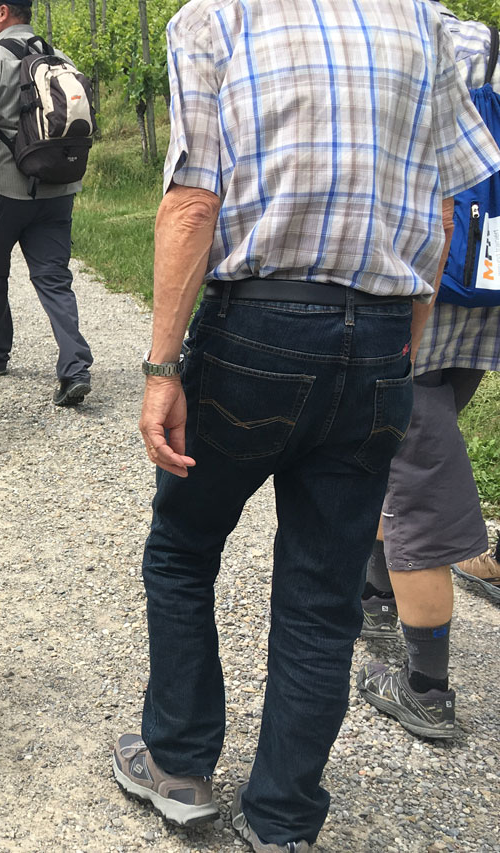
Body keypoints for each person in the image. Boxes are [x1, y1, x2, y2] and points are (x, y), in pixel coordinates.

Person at [109, 1, 500, 851]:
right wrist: (403, 350)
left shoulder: (217, 18)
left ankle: (177, 762)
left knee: (183, 545)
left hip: (258, 324)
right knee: (323, 598)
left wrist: (161, 369)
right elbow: (437, 214)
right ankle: (283, 819)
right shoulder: (425, 26)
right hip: (383, 332)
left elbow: (192, 202)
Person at [357, 4, 500, 740]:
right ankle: (377, 591)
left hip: (414, 286)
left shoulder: (379, 35)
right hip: (483, 294)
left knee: (415, 484)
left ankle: (427, 689)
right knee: (405, 456)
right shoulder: (483, 39)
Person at [0, 0, 94, 407]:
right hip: (57, 187)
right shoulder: (60, 57)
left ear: (2, 12)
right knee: (54, 278)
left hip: (4, 189)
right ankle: (75, 369)